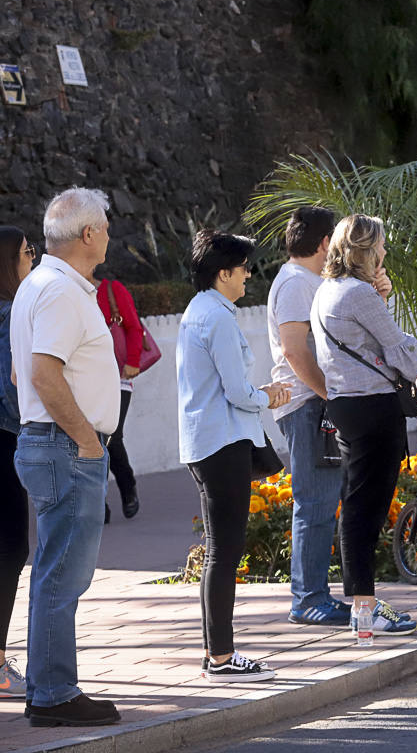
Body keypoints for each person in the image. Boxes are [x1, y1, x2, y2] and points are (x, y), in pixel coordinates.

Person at [11, 188, 121, 725]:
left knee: (55, 572)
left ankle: (48, 688)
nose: (108, 234)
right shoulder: (58, 292)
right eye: (104, 226)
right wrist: (85, 438)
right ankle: (54, 694)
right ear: (86, 235)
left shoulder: (43, 286)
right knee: (61, 576)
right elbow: (41, 374)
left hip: (51, 442)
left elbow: (20, 375)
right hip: (65, 447)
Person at [179, 230, 292, 684]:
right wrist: (268, 394)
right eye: (243, 267)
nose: (248, 274)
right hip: (222, 443)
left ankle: (217, 655)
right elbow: (236, 391)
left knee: (218, 553)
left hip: (207, 442)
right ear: (223, 273)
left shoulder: (199, 311)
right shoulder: (218, 318)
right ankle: (222, 659)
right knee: (224, 553)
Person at [312, 214, 417, 638]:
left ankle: (363, 604)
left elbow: (366, 343)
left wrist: (381, 297)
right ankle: (364, 607)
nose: (384, 252)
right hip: (373, 407)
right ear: (365, 250)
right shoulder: (358, 294)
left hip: (345, 405)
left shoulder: (329, 290)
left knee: (358, 503)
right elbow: (397, 348)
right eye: (379, 246)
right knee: (366, 507)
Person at [266, 207, 351, 627]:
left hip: (315, 403)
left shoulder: (309, 281)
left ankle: (316, 594)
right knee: (315, 503)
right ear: (324, 244)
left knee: (323, 501)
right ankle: (308, 598)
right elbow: (295, 352)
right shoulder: (297, 284)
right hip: (307, 405)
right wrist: (329, 395)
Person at [0, 227, 35, 700]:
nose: (35, 259)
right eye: (29, 253)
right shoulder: (11, 314)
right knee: (11, 548)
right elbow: (11, 388)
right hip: (5, 437)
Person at [93, 271, 143, 522]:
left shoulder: (112, 289)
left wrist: (133, 361)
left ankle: (127, 486)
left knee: (111, 436)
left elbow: (134, 326)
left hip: (118, 376)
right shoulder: (68, 292)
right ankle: (98, 501)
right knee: (90, 440)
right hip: (85, 381)